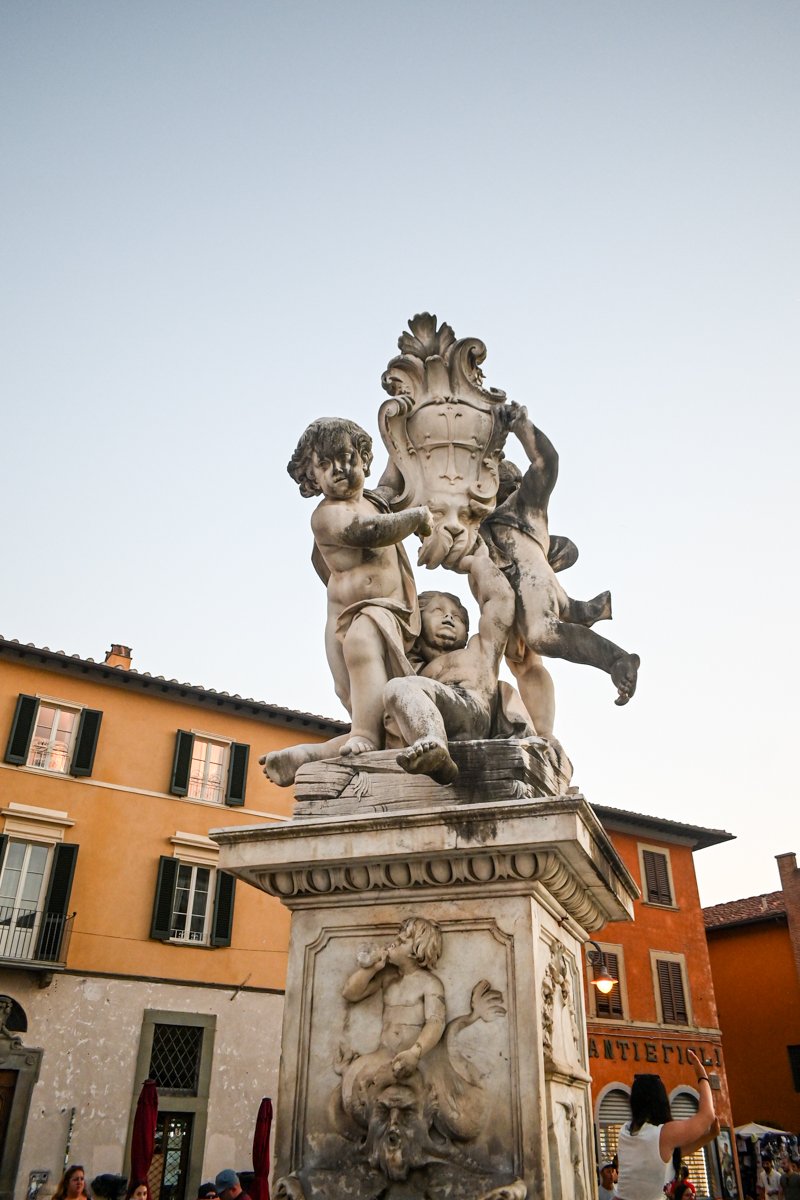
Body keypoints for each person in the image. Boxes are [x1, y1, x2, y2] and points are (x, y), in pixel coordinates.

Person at [261, 417, 431, 785]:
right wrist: (415, 518)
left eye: (347, 457)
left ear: (363, 459)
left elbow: (394, 476)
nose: (339, 469)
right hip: (343, 619)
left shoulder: (375, 502)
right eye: (325, 464)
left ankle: (324, 750)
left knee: (371, 691)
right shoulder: (327, 515)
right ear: (312, 476)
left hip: (381, 616)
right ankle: (343, 744)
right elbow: (366, 533)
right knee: (361, 704)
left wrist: (400, 428)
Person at [481, 403, 639, 722]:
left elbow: (546, 462)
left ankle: (618, 660)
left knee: (543, 635)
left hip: (533, 584)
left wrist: (521, 426)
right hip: (513, 593)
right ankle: (536, 731)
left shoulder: (522, 506)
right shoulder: (487, 521)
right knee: (523, 660)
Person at [383, 541, 518, 784]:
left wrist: (478, 562)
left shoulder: (480, 650)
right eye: (437, 611)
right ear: (417, 622)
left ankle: (432, 741)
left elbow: (501, 600)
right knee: (396, 688)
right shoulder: (413, 668)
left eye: (457, 616)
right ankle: (438, 758)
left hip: (471, 711)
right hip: (436, 706)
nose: (448, 617)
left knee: (400, 687)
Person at [340, 916, 446, 1106]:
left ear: (417, 951)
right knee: (353, 1080)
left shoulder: (429, 983)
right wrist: (372, 968)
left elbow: (435, 1022)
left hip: (411, 1057)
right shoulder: (388, 977)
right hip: (384, 1053)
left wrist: (415, 1053)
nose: (394, 941)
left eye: (403, 940)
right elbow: (350, 993)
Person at [615, 1050, 719, 1200]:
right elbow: (707, 1115)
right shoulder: (663, 1134)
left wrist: (709, 1136)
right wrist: (702, 1076)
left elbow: (670, 1154)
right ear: (661, 1100)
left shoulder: (625, 1132)